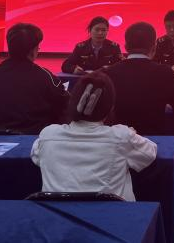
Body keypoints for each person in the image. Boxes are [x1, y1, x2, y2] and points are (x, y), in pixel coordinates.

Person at [31, 71, 157, 200]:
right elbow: (150, 153)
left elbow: (36, 156)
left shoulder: (48, 134)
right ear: (110, 107)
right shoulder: (122, 136)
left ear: (72, 101)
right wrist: (131, 134)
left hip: (55, 212)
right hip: (112, 213)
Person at [0, 23, 69, 134]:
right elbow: (64, 106)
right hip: (31, 139)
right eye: (38, 46)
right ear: (33, 51)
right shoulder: (46, 78)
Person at [105, 21, 174, 135]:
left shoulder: (109, 73)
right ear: (154, 48)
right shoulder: (165, 73)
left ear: (126, 47)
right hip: (154, 141)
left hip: (118, 140)